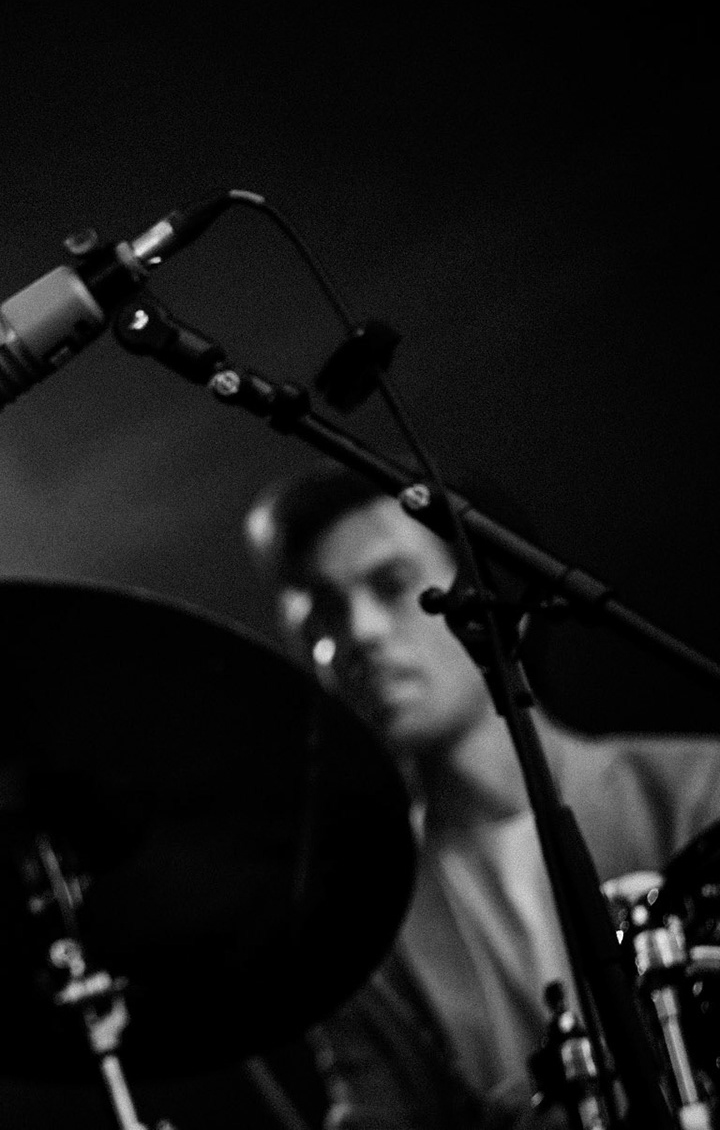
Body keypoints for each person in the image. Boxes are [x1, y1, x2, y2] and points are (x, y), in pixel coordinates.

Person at [244, 463, 720, 1129]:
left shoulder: (698, 791)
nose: (359, 633)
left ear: (488, 597)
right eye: (321, 609)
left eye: (392, 586)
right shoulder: (361, 926)